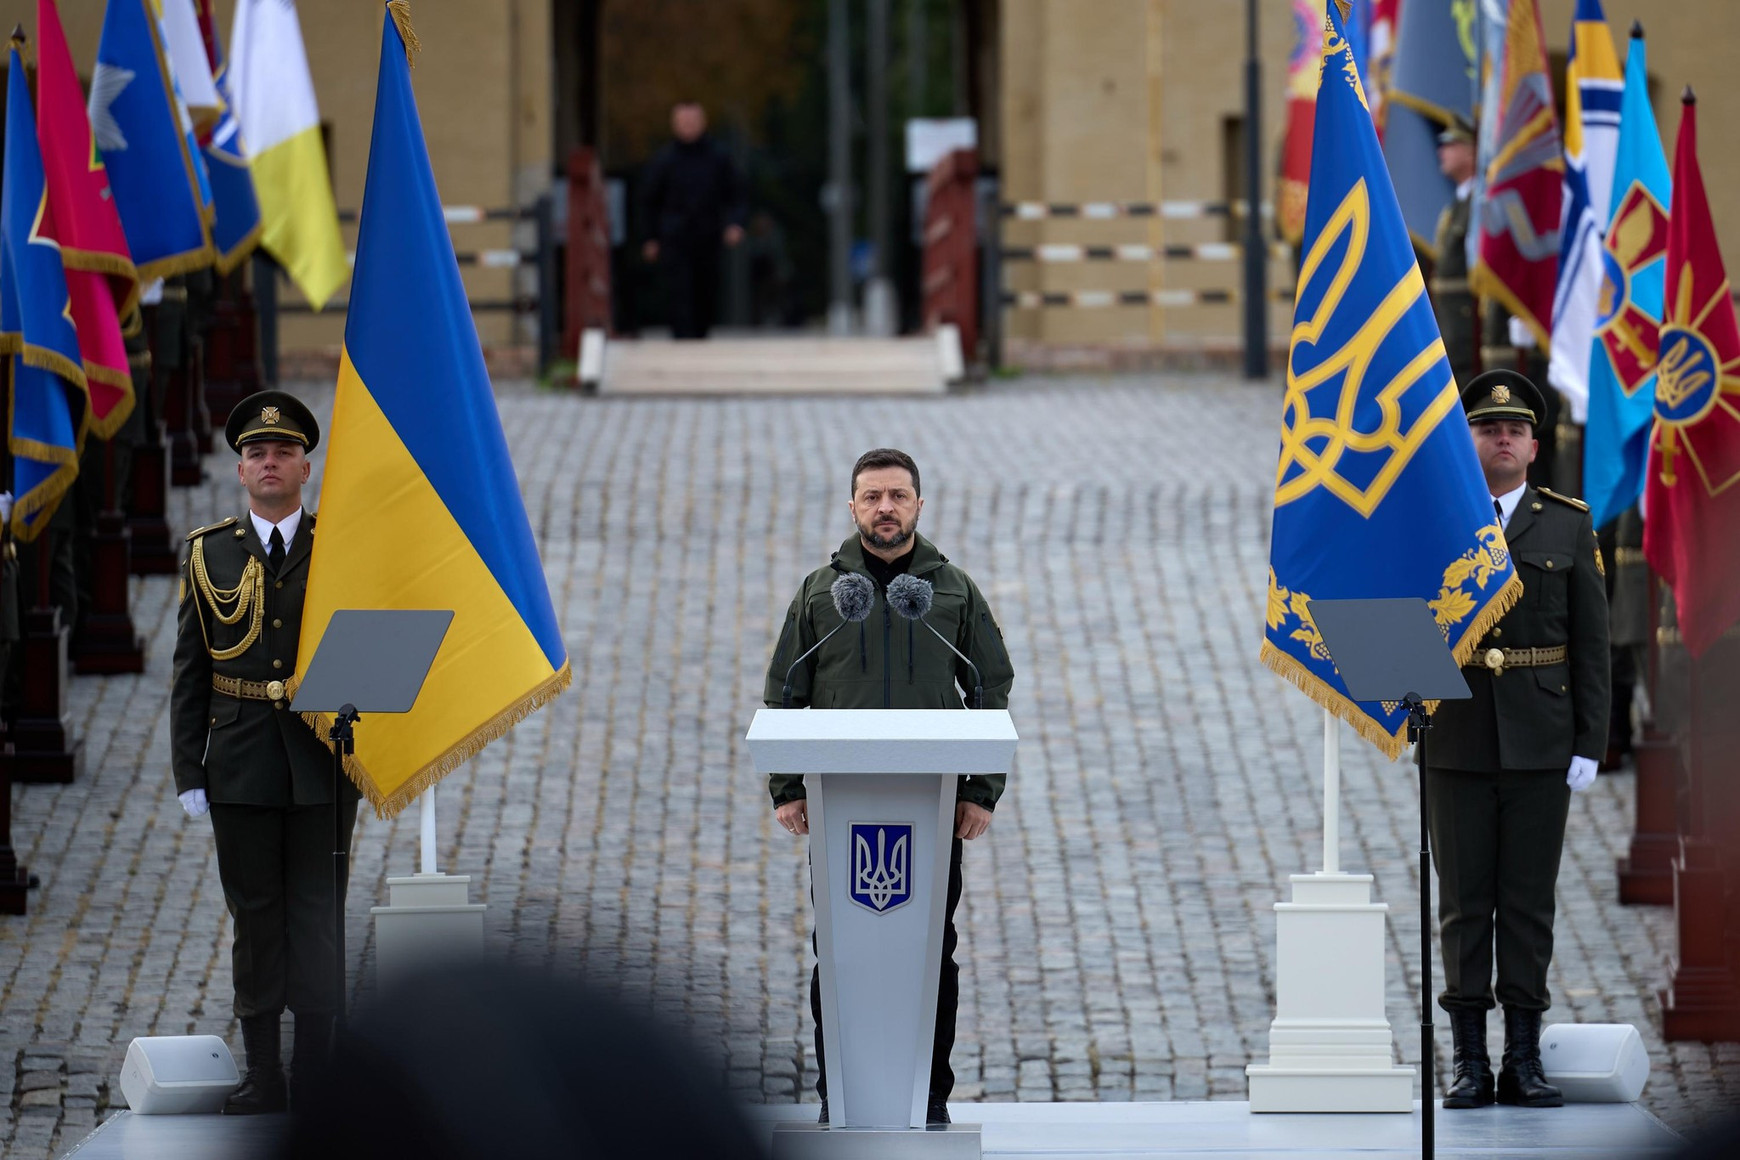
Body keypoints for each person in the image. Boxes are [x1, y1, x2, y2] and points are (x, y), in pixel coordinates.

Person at [764, 448, 1015, 1126]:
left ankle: (928, 1098)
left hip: (930, 805)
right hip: (838, 802)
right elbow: (785, 688)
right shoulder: (822, 594)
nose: (885, 508)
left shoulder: (954, 591)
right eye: (872, 496)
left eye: (898, 496)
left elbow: (992, 685)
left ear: (919, 505)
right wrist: (788, 787)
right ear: (852, 506)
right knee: (836, 950)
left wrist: (980, 789)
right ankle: (837, 1097)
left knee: (935, 949)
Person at [170, 390, 360, 1114]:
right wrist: (191, 769)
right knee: (255, 917)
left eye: (283, 452)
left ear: (306, 467)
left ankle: (315, 1071)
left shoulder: (336, 547)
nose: (270, 462)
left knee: (318, 915)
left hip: (321, 761)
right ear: (241, 472)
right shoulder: (209, 552)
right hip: (242, 762)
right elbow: (190, 673)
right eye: (257, 454)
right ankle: (265, 1075)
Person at [1430, 369, 1610, 1110]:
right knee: (1465, 904)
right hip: (1458, 733)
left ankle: (1524, 1058)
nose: (1502, 438)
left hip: (1542, 738)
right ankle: (1471, 1059)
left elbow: (1592, 644)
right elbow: (1411, 613)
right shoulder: (1439, 517)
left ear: (1534, 447)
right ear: (1468, 442)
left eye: (1514, 430)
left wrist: (1590, 741)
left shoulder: (1566, 524)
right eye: (1487, 429)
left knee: (1529, 903)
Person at [638, 100, 746, 339]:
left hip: (708, 235)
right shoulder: (663, 160)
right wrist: (650, 238)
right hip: (674, 237)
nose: (688, 126)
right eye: (683, 122)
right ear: (674, 124)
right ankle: (683, 339)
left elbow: (736, 195)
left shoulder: (719, 157)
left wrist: (735, 224)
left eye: (692, 121)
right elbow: (649, 202)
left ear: (703, 123)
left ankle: (700, 336)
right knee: (679, 291)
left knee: (706, 289)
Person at [1430, 118, 1478, 385]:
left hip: (1468, 329)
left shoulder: (1478, 205)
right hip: (1452, 328)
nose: (1442, 151)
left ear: (1471, 151)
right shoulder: (1456, 205)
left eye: (1451, 144)